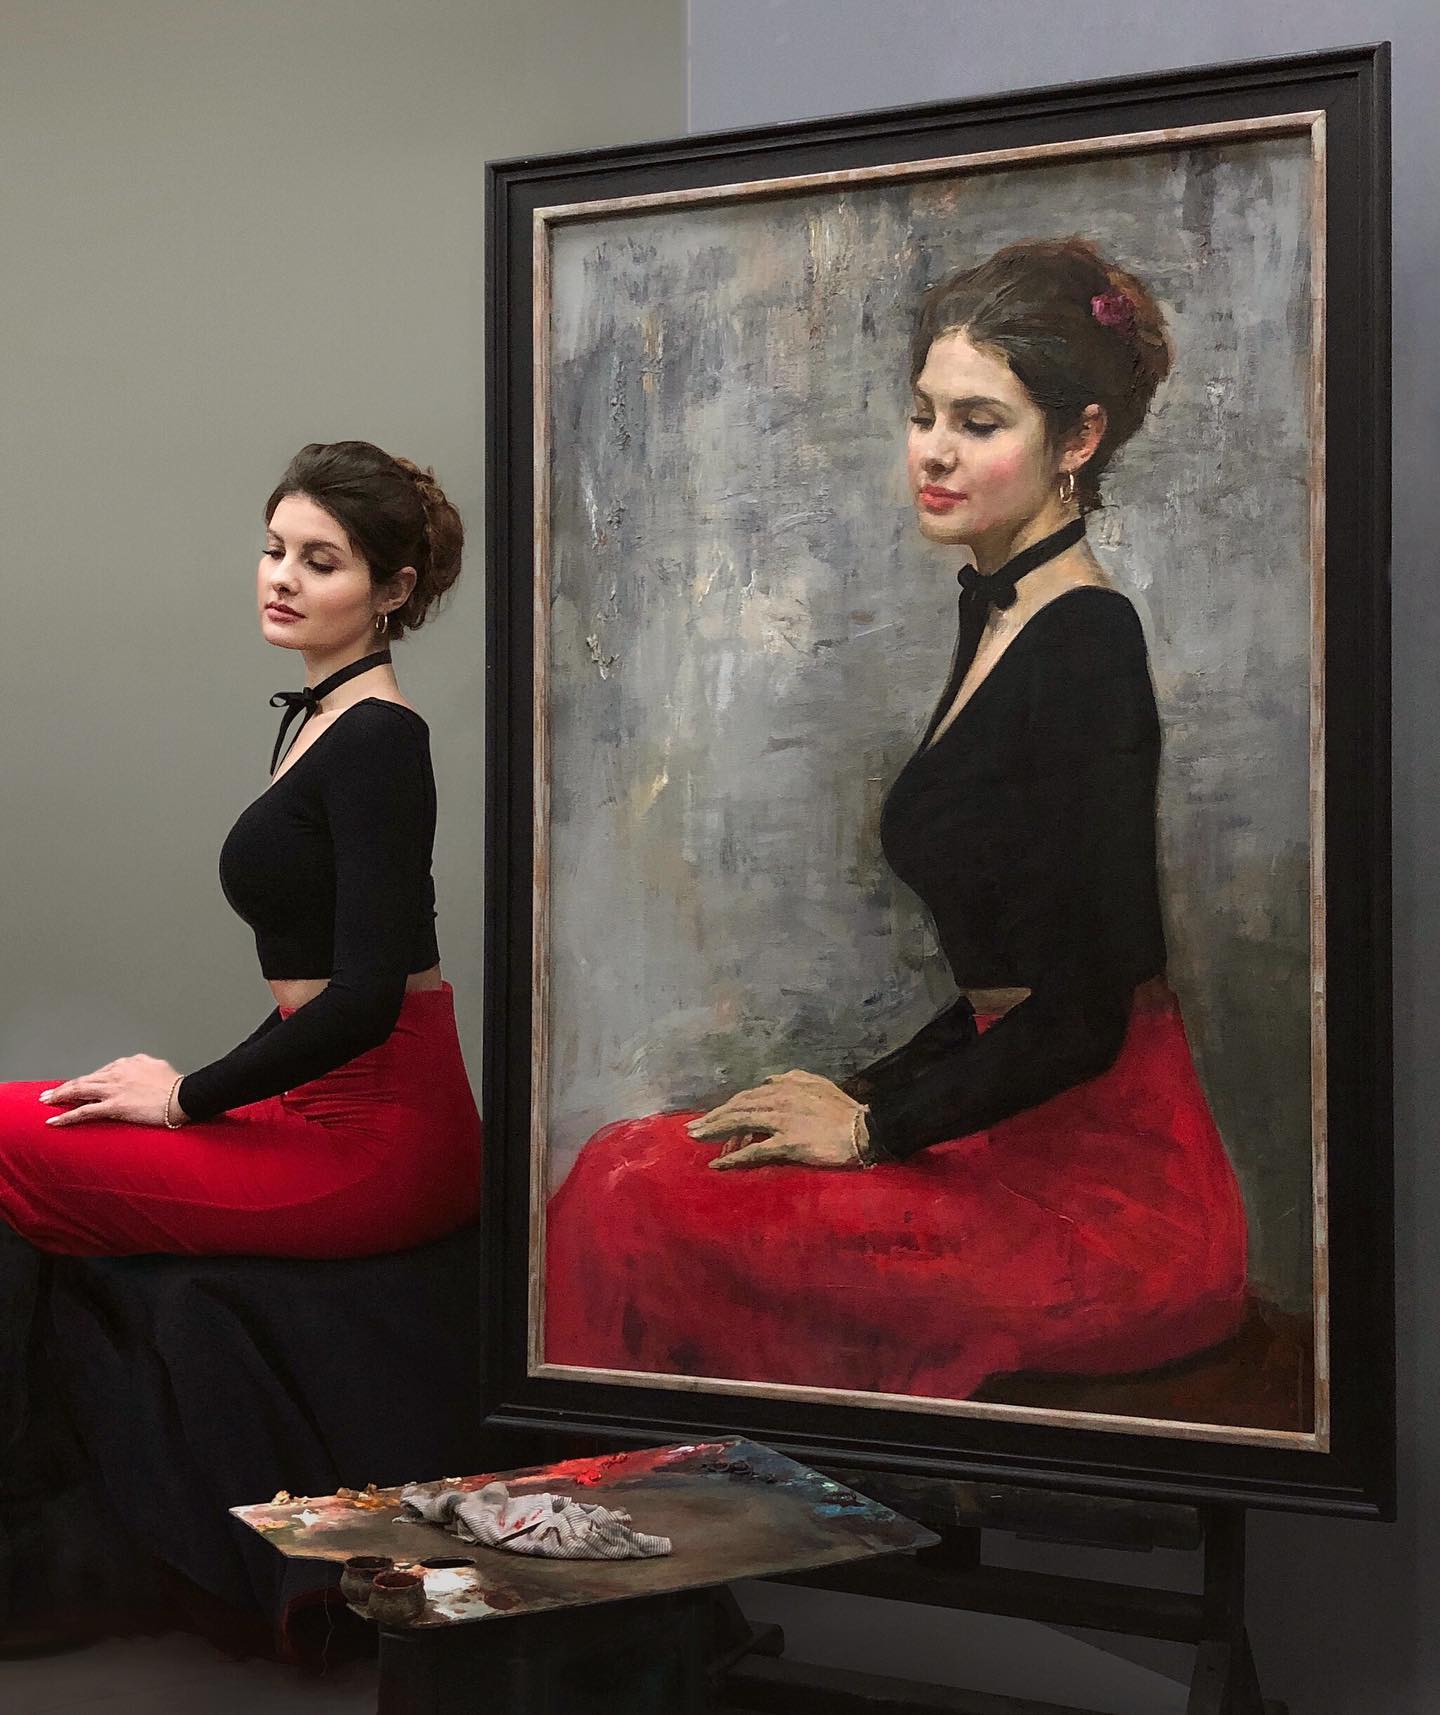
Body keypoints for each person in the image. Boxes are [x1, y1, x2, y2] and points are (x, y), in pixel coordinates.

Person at [545, 238, 1250, 1403]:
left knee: (631, 1197)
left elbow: (1086, 1009)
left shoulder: (1087, 641)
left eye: (979, 421)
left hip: (1105, 1191)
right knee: (634, 1161)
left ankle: (624, 1495)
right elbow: (1009, 980)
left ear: (1078, 439)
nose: (933, 449)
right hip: (1005, 1118)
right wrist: (865, 1089)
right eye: (924, 414)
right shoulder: (1002, 613)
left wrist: (874, 1128)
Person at [0, 440, 483, 1639]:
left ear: (393, 590)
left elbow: (367, 998)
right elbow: (323, 999)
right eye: (275, 548)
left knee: (7, 1136)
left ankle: (26, 1527)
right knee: (30, 1113)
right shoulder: (322, 720)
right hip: (334, 1103)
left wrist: (187, 1098)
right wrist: (194, 1084)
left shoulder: (380, 738)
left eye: (322, 561)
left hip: (380, 1139)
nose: (281, 577)